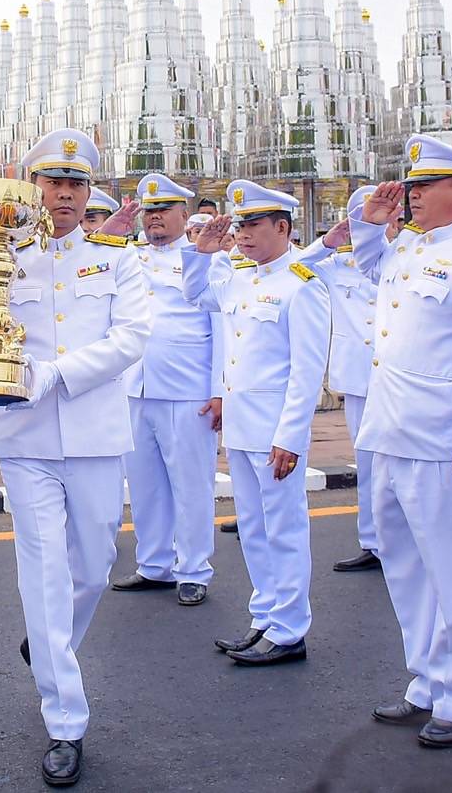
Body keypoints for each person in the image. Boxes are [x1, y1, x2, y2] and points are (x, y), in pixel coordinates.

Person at [0, 128, 151, 786]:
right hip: (25, 441)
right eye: (52, 182)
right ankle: (65, 722)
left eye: (75, 183)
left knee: (93, 567)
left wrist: (56, 374)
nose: (62, 194)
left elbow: (133, 336)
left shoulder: (117, 258)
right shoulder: (4, 254)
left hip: (93, 434)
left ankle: (49, 643)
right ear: (33, 187)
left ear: (88, 192)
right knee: (45, 575)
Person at [350, 135, 452, 749]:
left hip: (447, 446)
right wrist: (371, 227)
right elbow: (371, 269)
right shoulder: (407, 250)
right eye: (413, 184)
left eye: (428, 185)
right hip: (392, 434)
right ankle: (426, 679)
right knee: (406, 570)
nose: (414, 193)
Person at [183, 181, 330, 664]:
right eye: (239, 224)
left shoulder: (302, 284)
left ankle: (289, 629)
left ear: (283, 228)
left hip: (275, 431)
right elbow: (197, 295)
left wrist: (291, 436)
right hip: (243, 426)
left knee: (283, 528)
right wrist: (202, 254)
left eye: (253, 224)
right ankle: (265, 616)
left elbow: (307, 373)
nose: (242, 233)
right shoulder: (242, 278)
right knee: (254, 525)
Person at [111, 173, 223, 608]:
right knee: (145, 484)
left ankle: (194, 569)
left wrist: (219, 391)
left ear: (183, 214)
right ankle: (155, 563)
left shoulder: (206, 258)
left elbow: (221, 328)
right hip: (136, 386)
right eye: (149, 211)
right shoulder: (129, 257)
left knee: (191, 484)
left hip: (187, 388)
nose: (155, 219)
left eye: (164, 211)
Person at [295, 186, 381, 572]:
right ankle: (373, 541)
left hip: (399, 378)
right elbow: (297, 269)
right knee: (368, 462)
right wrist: (328, 242)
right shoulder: (337, 265)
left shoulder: (399, 256)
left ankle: (407, 539)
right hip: (360, 377)